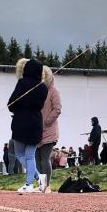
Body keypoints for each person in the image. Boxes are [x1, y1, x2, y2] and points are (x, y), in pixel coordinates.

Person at [8, 58, 48, 193]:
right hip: (36, 122)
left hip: (21, 121)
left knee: (20, 154)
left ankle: (29, 183)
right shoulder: (43, 87)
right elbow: (40, 105)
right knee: (30, 155)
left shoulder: (22, 83)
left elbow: (11, 104)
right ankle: (39, 178)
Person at [35, 65, 62, 193]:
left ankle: (48, 186)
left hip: (49, 130)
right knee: (37, 159)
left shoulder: (53, 91)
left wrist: (47, 121)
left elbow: (57, 109)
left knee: (45, 158)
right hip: (36, 131)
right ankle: (42, 185)